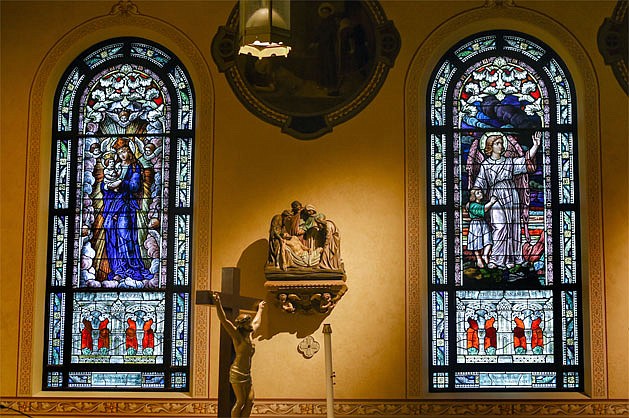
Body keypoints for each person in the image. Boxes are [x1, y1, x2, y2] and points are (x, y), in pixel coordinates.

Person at [472, 131, 541, 269]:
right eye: (498, 143)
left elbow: (524, 160)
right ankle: (496, 259)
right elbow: (479, 183)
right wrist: (474, 197)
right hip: (495, 197)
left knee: (513, 226)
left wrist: (536, 146)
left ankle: (513, 258)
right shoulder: (485, 165)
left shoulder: (509, 162)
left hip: (511, 195)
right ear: (490, 146)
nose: (501, 146)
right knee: (500, 226)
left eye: (501, 143)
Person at [94, 137, 153, 284]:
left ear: (130, 151)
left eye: (124, 151)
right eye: (119, 152)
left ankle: (132, 268)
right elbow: (104, 186)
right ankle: (118, 270)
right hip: (112, 207)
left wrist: (121, 184)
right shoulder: (114, 166)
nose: (122, 155)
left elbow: (135, 186)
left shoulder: (135, 167)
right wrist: (106, 186)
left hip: (126, 206)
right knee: (112, 236)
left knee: (125, 235)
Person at [213, 293, 266, 418]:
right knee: (241, 401)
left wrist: (261, 309)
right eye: (248, 322)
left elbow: (257, 321)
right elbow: (224, 320)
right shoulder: (237, 336)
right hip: (237, 372)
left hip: (247, 373)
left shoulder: (250, 333)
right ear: (243, 325)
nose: (250, 324)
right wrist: (218, 304)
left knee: (250, 401)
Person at [466, 188, 498, 268]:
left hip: (483, 223)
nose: (480, 193)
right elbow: (484, 209)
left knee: (488, 240)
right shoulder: (472, 205)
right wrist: (491, 202)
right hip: (475, 224)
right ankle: (479, 259)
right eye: (478, 193)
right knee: (476, 242)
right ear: (474, 196)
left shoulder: (482, 203)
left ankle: (485, 255)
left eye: (480, 192)